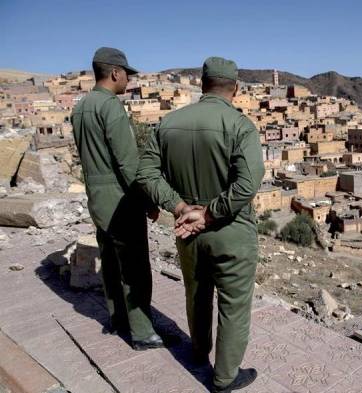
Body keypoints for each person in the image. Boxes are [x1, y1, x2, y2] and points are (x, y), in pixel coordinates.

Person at [136, 56, 265, 393]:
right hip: (231, 232)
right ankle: (224, 378)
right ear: (235, 88)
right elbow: (248, 184)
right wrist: (209, 213)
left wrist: (178, 206)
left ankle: (197, 351)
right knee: (233, 305)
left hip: (185, 230)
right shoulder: (240, 126)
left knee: (196, 294)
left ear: (201, 84)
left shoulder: (169, 123)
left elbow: (146, 173)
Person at [71, 47, 164, 350]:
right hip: (120, 199)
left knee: (110, 261)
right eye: (127, 74)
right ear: (114, 73)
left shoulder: (81, 108)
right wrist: (148, 200)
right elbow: (127, 162)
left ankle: (117, 321)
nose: (129, 80)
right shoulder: (110, 107)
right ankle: (143, 332)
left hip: (96, 196)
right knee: (135, 267)